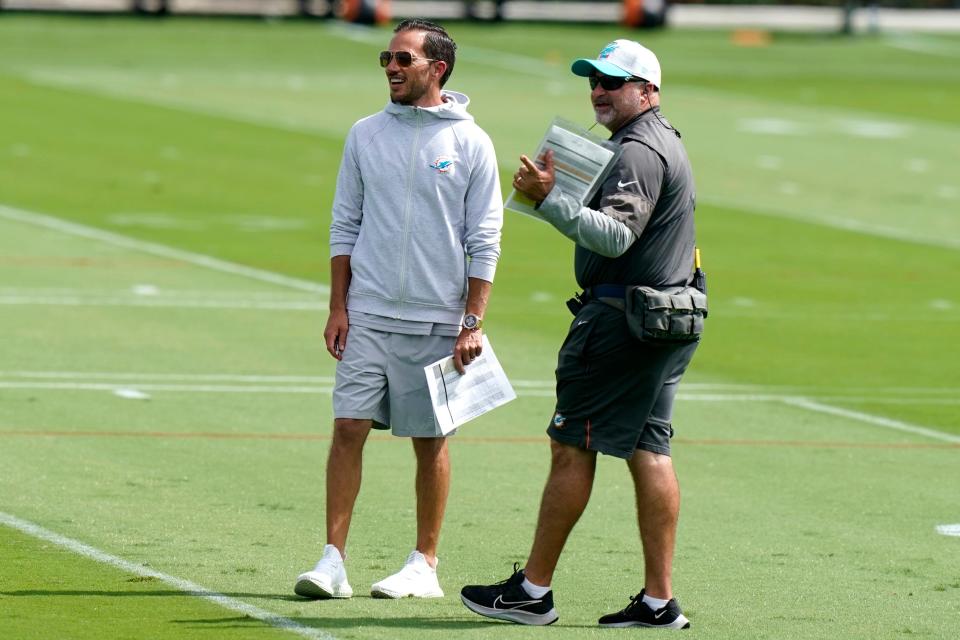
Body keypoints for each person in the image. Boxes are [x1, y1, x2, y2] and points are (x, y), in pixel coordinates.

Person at [460, 39, 700, 629]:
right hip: (665, 314)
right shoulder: (661, 139)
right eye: (594, 80)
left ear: (647, 91)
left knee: (574, 444)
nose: (598, 90)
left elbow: (616, 237)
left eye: (613, 82)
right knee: (649, 447)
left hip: (622, 321)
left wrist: (549, 200)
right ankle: (657, 601)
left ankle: (533, 591)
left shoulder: (638, 150)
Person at [294, 19, 503, 601]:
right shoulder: (365, 134)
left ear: (436, 69)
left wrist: (471, 323)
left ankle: (424, 564)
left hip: (437, 320)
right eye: (386, 57)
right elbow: (344, 223)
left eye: (403, 59)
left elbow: (485, 238)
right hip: (368, 313)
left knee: (430, 440)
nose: (391, 67)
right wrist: (338, 306)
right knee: (347, 428)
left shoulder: (470, 142)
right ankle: (332, 561)